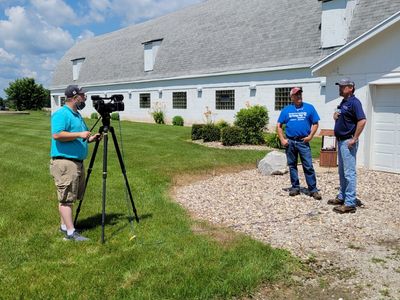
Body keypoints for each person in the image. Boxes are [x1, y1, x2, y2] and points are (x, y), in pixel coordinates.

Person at [50, 85, 101, 241]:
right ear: (74, 97)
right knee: (66, 198)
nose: (85, 97)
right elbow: (57, 134)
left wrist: (91, 139)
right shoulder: (62, 114)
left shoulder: (77, 115)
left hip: (76, 162)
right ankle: (71, 233)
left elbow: (80, 137)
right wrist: (80, 133)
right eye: (82, 95)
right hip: (65, 162)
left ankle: (64, 227)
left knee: (70, 197)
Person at [329, 78, 366, 214]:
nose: (340, 88)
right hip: (341, 140)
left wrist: (354, 138)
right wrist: (335, 116)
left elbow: (362, 121)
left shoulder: (355, 103)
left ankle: (350, 202)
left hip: (348, 142)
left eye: (343, 86)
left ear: (350, 88)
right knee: (342, 171)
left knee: (349, 173)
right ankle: (342, 196)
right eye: (340, 86)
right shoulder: (344, 102)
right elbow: (345, 118)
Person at [277, 87, 322, 200]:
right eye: (296, 95)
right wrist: (282, 139)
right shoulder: (286, 110)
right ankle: (295, 187)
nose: (299, 96)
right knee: (292, 165)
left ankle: (313, 189)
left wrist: (311, 136)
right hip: (291, 141)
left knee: (308, 166)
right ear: (291, 97)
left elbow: (315, 123)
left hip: (303, 141)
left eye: (300, 94)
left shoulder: (309, 108)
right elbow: (279, 125)